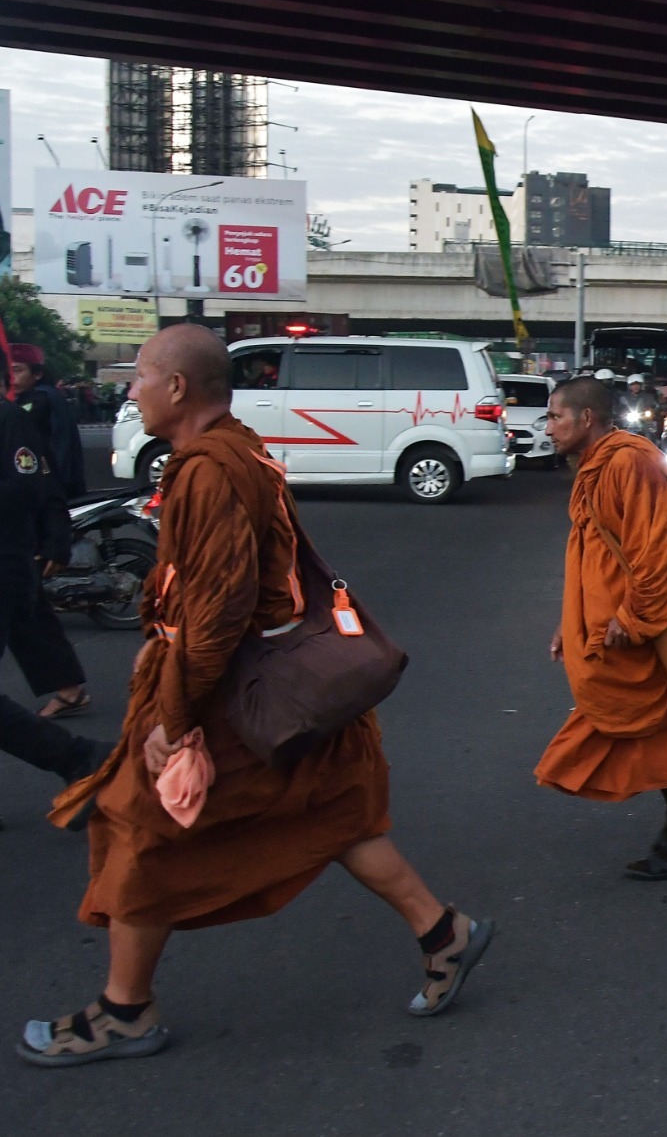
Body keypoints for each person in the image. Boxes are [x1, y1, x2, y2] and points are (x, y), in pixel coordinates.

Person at [21, 325, 490, 1068]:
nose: (131, 389)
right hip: (261, 680)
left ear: (177, 387)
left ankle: (125, 1010)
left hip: (227, 690)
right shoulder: (237, 449)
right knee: (329, 811)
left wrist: (173, 722)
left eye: (141, 375)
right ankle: (444, 932)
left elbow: (217, 612)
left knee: (140, 823)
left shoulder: (209, 469)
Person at [535, 377, 667, 880]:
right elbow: (591, 557)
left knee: (655, 731)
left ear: (586, 419)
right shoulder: (595, 465)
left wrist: (635, 620)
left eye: (554, 417)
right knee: (653, 733)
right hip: (603, 631)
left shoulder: (631, 462)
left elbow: (657, 549)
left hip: (629, 633)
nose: (547, 428)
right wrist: (566, 623)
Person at [0, 345, 107, 826]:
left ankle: (79, 758)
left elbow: (32, 488)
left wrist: (54, 545)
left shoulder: (9, 420)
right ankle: (77, 759)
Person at [10, 343, 86, 500]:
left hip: (50, 485)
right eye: (8, 371)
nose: (11, 377)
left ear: (37, 373)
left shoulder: (40, 398)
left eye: (18, 370)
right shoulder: (46, 394)